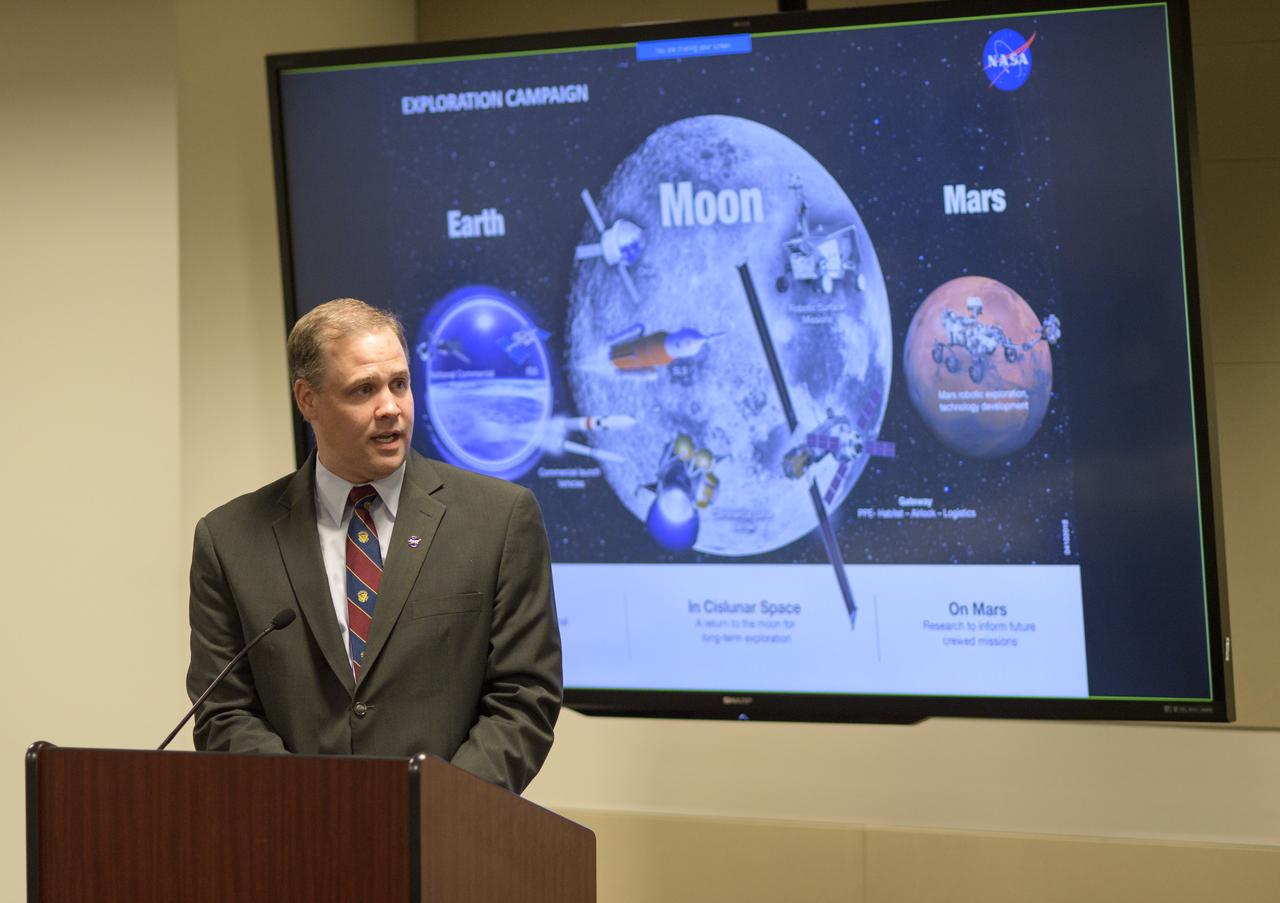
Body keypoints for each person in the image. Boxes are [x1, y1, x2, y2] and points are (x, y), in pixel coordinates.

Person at [187, 298, 562, 794]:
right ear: (308, 400)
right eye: (364, 390)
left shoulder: (499, 519)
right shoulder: (230, 539)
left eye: (399, 384)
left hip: (447, 825)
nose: (390, 408)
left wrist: (437, 807)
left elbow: (524, 699)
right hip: (293, 825)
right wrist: (308, 807)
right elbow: (224, 712)